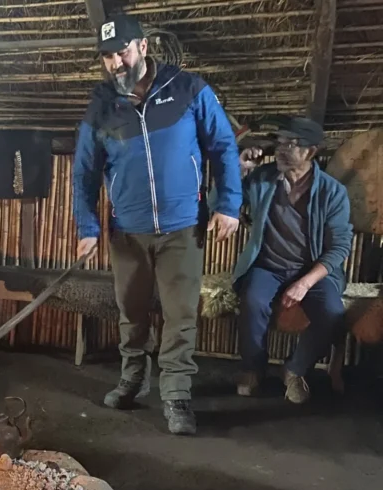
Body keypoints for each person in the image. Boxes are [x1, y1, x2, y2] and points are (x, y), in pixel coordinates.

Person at [73, 13, 242, 435]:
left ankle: (177, 395)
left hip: (182, 227)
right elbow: (85, 173)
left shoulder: (188, 89)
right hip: (127, 232)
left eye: (123, 51)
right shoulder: (101, 107)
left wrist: (230, 205)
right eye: (108, 56)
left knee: (180, 314)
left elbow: (222, 147)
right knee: (131, 312)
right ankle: (132, 379)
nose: (116, 63)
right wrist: (88, 228)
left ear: (143, 48)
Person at [234, 117, 352, 403]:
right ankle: (253, 368)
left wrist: (304, 283)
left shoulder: (332, 192)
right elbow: (220, 203)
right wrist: (237, 170)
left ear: (311, 152)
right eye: (280, 143)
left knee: (332, 313)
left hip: (312, 271)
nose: (282, 150)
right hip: (268, 266)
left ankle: (295, 369)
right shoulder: (262, 178)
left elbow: (340, 246)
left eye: (291, 144)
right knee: (253, 301)